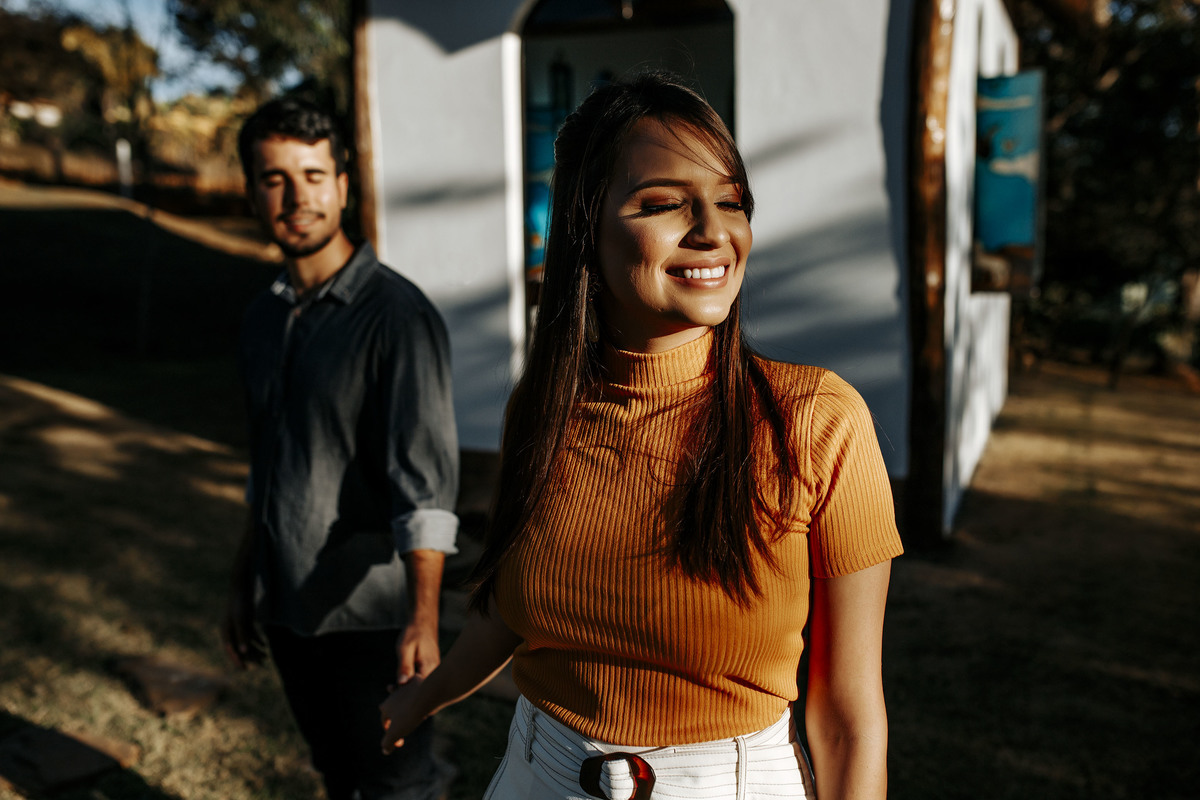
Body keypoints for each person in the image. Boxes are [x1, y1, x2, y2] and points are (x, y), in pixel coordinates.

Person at [379, 71, 903, 800]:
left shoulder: (816, 421)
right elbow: (510, 609)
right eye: (663, 204)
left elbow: (848, 718)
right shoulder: (540, 409)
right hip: (537, 772)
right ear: (585, 231)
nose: (716, 231)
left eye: (731, 203)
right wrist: (424, 696)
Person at [223, 97, 458, 800]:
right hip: (290, 606)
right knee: (335, 774)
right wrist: (245, 578)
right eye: (275, 179)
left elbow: (425, 485)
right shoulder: (262, 319)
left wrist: (422, 619)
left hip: (375, 615)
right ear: (251, 191)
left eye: (314, 175)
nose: (298, 198)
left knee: (398, 787)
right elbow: (265, 465)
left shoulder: (396, 316)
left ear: (344, 186)